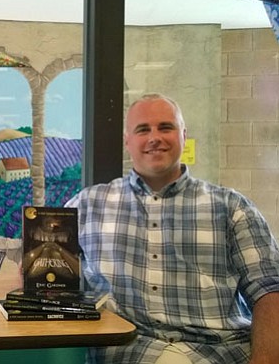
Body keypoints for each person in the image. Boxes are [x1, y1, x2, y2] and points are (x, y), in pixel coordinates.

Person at [65, 93, 279, 364]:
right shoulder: (87, 205)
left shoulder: (232, 207)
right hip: (127, 351)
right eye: (143, 129)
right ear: (127, 141)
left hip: (221, 353)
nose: (155, 137)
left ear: (183, 135)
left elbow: (269, 289)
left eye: (166, 127)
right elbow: (42, 268)